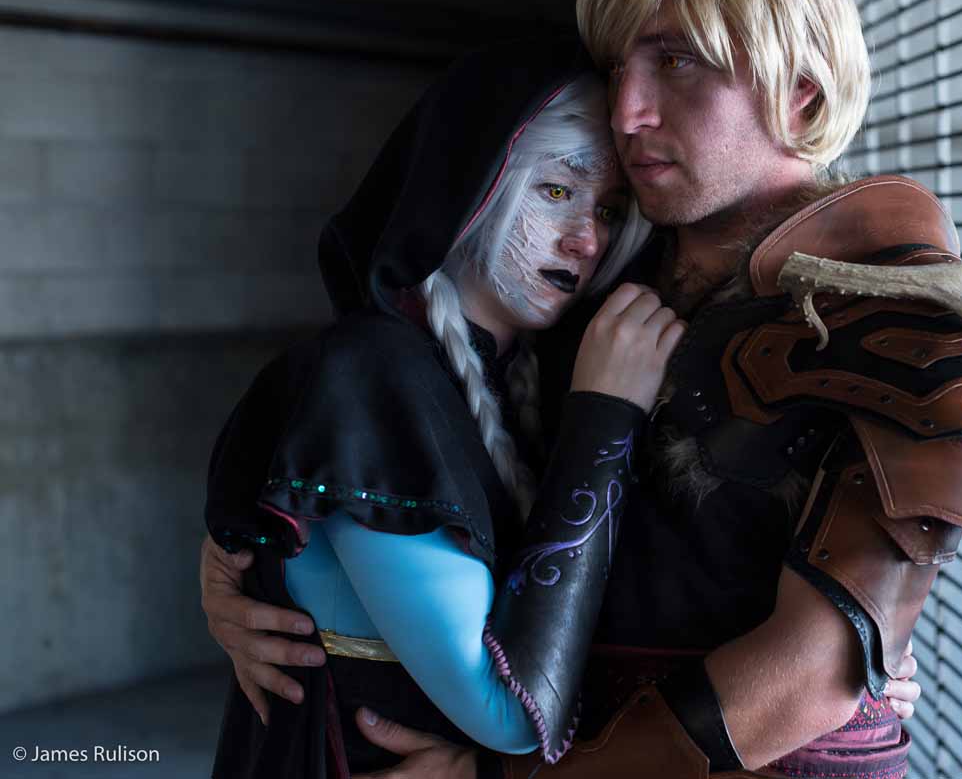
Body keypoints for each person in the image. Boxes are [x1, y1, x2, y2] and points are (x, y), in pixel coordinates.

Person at [203, 0, 962, 776]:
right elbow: (380, 430)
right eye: (620, 66)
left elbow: (808, 680)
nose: (629, 110)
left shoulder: (899, 317)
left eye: (677, 61)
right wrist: (243, 570)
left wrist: (510, 774)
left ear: (797, 89)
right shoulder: (595, 291)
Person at [203, 41, 682, 777]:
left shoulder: (528, 378)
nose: (588, 240)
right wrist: (606, 419)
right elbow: (513, 713)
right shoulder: (372, 375)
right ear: (475, 185)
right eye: (557, 190)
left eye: (610, 210)